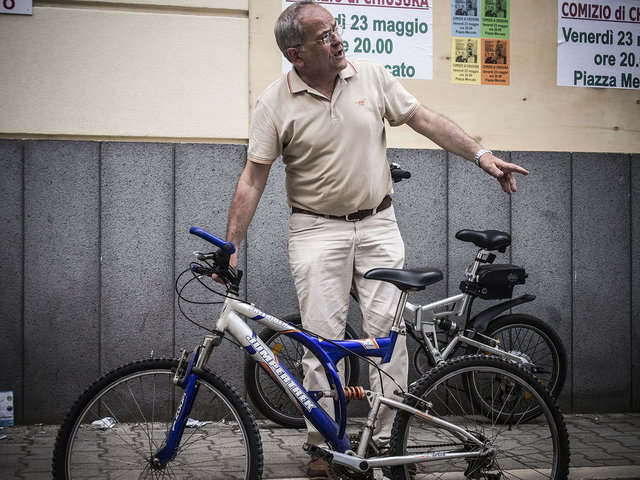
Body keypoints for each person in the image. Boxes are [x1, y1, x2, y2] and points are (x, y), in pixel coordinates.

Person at [221, 1, 528, 478]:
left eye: (335, 30)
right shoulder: (273, 102)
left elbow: (422, 117)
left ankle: (385, 441)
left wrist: (480, 154)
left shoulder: (369, 74)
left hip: (379, 225)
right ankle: (324, 445)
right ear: (296, 54)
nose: (338, 40)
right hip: (315, 229)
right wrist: (233, 245)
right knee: (321, 342)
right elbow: (252, 178)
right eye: (324, 37)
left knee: (389, 336)